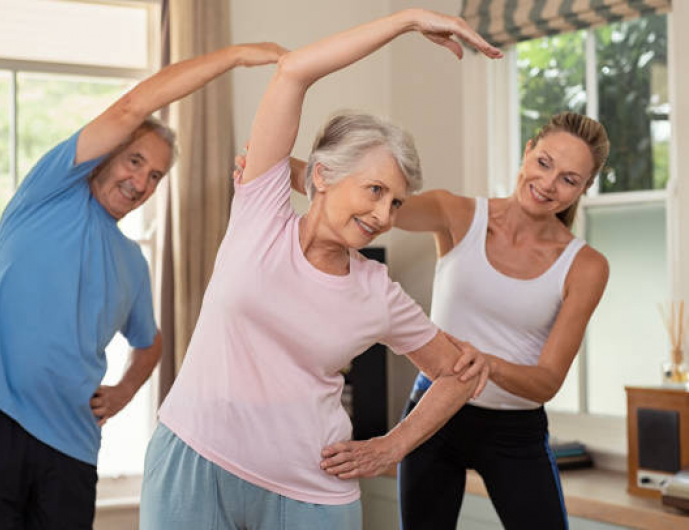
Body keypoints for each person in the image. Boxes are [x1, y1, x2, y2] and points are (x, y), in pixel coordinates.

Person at [140, 9, 502, 530]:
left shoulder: (377, 292)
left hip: (309, 489)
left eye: (397, 203)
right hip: (193, 460)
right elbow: (293, 72)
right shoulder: (260, 211)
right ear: (325, 176)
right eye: (375, 190)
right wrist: (406, 21)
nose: (384, 215)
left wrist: (391, 447)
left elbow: (458, 373)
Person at [0, 42, 285, 530]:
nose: (141, 181)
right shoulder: (49, 194)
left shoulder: (131, 263)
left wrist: (122, 391)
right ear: (106, 153)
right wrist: (234, 57)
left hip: (71, 443)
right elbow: (132, 107)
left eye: (155, 175)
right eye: (134, 160)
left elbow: (151, 343)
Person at [320, 111, 611, 529]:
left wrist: (485, 364)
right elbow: (363, 197)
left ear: (584, 187)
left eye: (569, 178)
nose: (548, 183)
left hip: (514, 431)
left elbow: (547, 380)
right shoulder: (455, 213)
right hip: (432, 417)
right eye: (544, 162)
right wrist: (271, 168)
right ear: (527, 152)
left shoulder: (585, 266)